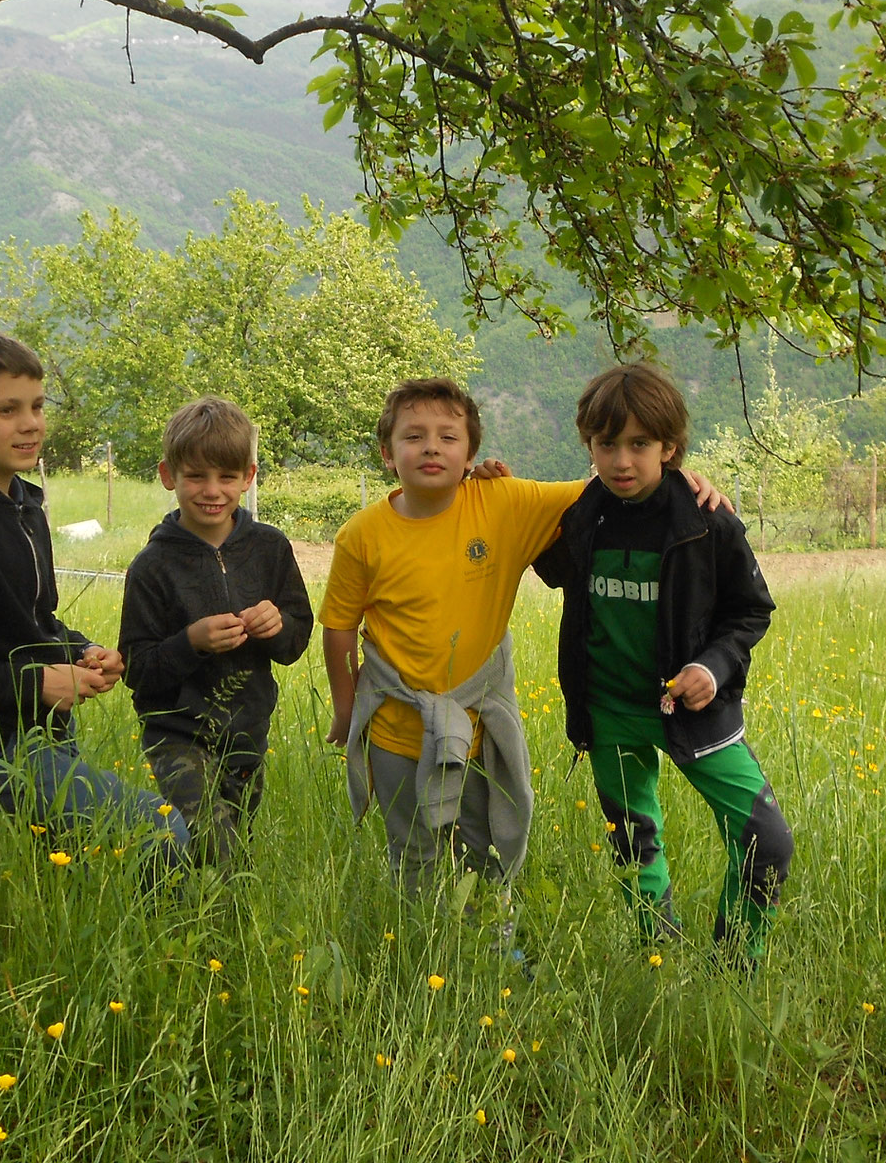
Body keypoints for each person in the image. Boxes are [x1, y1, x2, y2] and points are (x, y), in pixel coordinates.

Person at [321, 376, 728, 904]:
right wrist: (345, 709)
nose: (430, 448)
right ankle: (424, 955)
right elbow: (338, 626)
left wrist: (682, 480)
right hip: (395, 728)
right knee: (412, 853)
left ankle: (495, 952)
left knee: (485, 848)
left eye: (449, 437)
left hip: (478, 726)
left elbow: (608, 484)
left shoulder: (502, 503)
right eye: (413, 436)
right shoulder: (362, 533)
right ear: (386, 453)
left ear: (472, 454)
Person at [0, 326, 186, 861]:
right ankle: (177, 944)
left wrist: (79, 651)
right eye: (7, 411)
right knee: (164, 830)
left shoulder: (22, 504)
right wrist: (38, 683)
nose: (30, 424)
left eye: (36, 406)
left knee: (75, 868)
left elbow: (31, 619)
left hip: (44, 731)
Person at [535, 364, 792, 964]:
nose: (622, 461)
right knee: (633, 841)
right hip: (611, 711)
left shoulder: (708, 521)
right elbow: (527, 546)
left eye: (640, 445)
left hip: (696, 715)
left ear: (670, 448)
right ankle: (658, 954)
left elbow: (750, 613)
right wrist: (485, 479)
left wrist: (712, 667)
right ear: (589, 446)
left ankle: (736, 962)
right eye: (606, 444)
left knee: (767, 843)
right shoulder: (581, 516)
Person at [118, 396, 313, 865]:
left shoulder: (269, 548)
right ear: (169, 476)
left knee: (232, 850)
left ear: (249, 477)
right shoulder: (153, 566)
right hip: (178, 733)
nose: (212, 490)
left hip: (247, 732)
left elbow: (296, 640)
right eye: (196, 476)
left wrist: (276, 626)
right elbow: (137, 667)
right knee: (215, 846)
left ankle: (182, 913)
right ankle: (201, 925)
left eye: (227, 477)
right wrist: (191, 643)